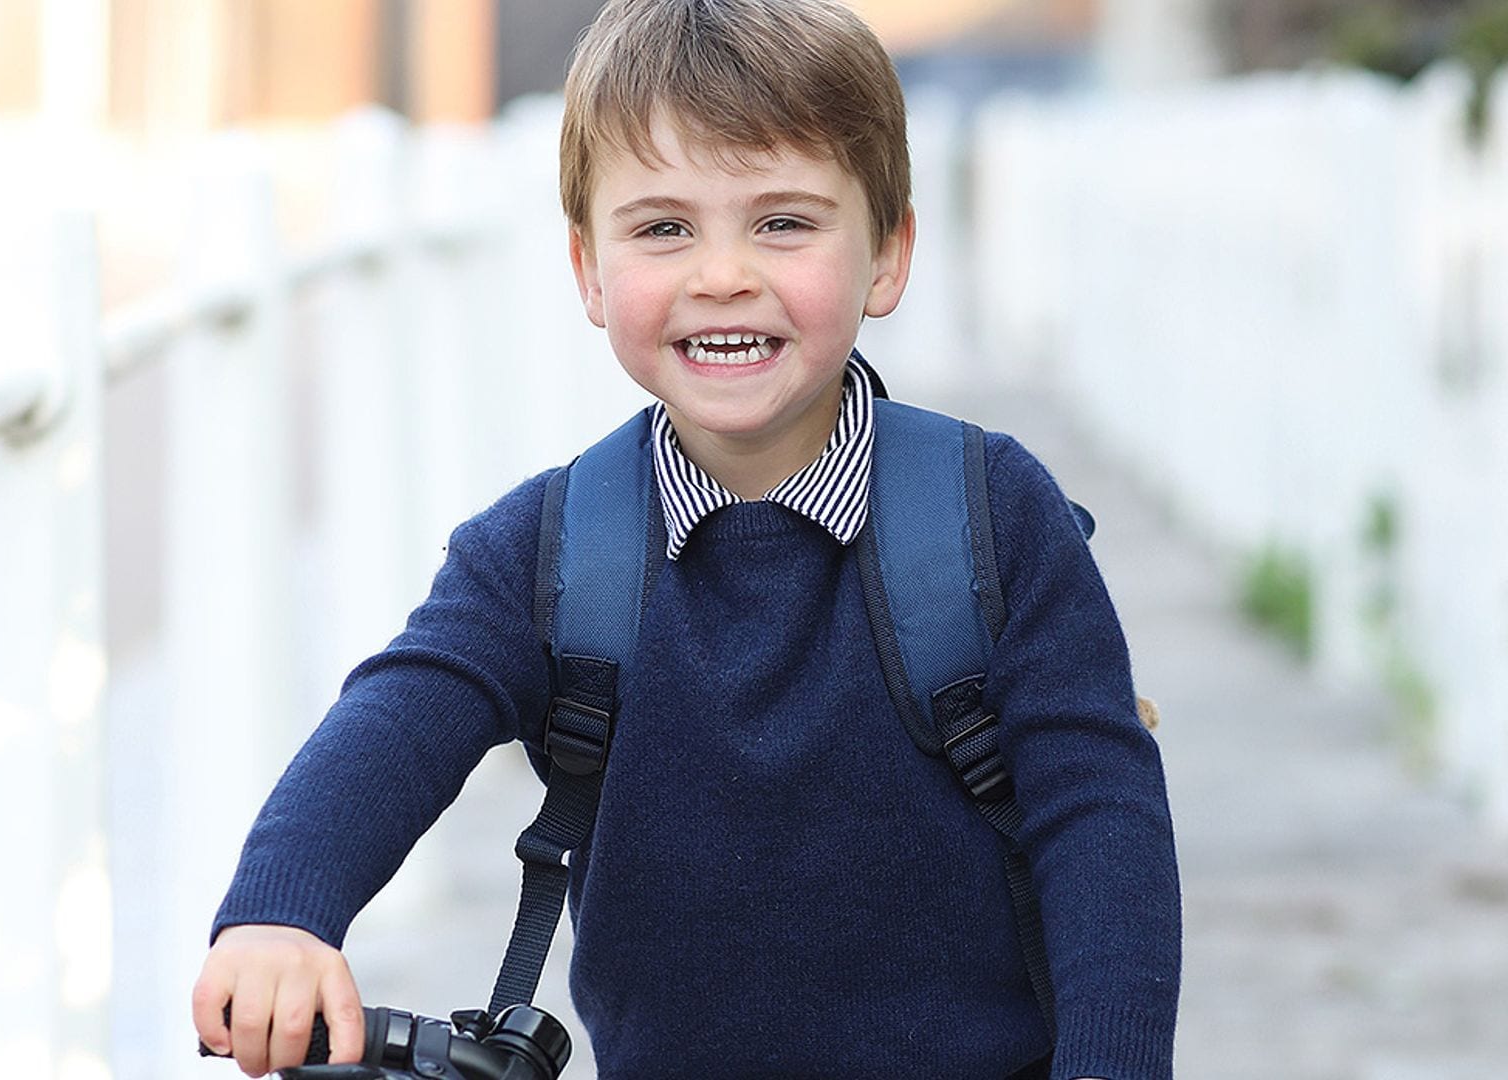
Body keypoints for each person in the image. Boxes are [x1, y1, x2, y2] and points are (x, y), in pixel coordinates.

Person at [190, 0, 1181, 1076]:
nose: (722, 274)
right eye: (664, 227)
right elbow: (399, 714)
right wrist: (281, 910)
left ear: (888, 254)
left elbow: (1101, 816)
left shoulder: (995, 516)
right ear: (588, 270)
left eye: (784, 222)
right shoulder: (546, 551)